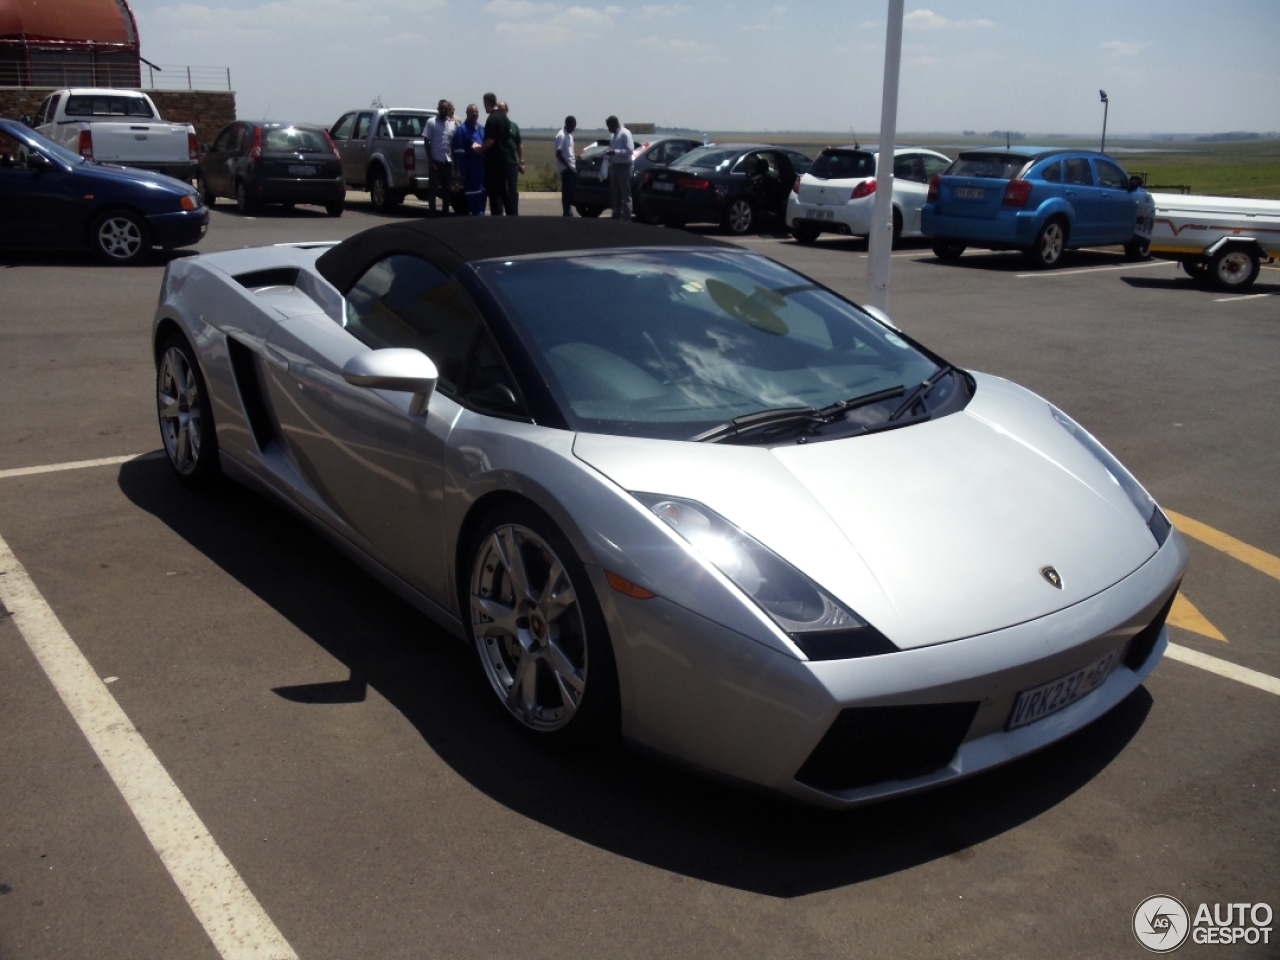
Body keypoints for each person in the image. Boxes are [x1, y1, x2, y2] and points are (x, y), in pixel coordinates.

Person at [474, 93, 511, 215]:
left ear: (487, 102)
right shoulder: (505, 118)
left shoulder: (492, 119)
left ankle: (496, 216)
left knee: (493, 191)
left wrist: (481, 149)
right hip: (504, 157)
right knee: (503, 189)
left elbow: (490, 140)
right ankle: (512, 214)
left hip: (493, 159)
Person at [423, 100, 456, 216]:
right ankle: (432, 212)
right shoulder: (431, 122)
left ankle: (445, 212)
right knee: (433, 188)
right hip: (436, 160)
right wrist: (430, 160)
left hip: (447, 160)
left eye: (445, 109)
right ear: (438, 109)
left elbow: (452, 143)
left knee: (446, 189)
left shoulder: (452, 124)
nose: (443, 111)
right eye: (441, 108)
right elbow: (426, 141)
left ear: (448, 110)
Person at [453, 104, 487, 215]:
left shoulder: (482, 129)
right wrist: (463, 170)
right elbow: (459, 152)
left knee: (482, 197)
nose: (474, 113)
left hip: (482, 170)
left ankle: (481, 220)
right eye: (472, 111)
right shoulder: (461, 130)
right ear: (467, 113)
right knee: (473, 199)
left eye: (476, 111)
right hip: (470, 171)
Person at [605, 115, 634, 221]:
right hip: (614, 166)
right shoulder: (613, 136)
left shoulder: (625, 133)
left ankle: (626, 216)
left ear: (615, 124)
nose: (608, 129)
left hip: (624, 166)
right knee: (615, 192)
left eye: (609, 126)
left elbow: (630, 150)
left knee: (625, 193)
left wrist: (615, 151)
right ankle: (616, 215)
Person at [498, 101, 523, 215]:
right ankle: (498, 213)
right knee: (499, 189)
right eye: (499, 109)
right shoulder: (495, 124)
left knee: (512, 190)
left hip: (512, 162)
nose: (501, 111)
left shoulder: (514, 126)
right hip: (499, 163)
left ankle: (513, 213)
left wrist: (521, 161)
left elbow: (519, 144)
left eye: (503, 109)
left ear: (507, 110)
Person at [554, 115, 577, 217]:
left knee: (571, 191)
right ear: (567, 124)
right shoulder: (561, 135)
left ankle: (568, 209)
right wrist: (567, 166)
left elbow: (569, 152)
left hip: (572, 166)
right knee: (567, 191)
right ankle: (566, 211)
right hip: (566, 168)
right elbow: (559, 153)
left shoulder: (570, 136)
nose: (573, 128)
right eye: (572, 126)